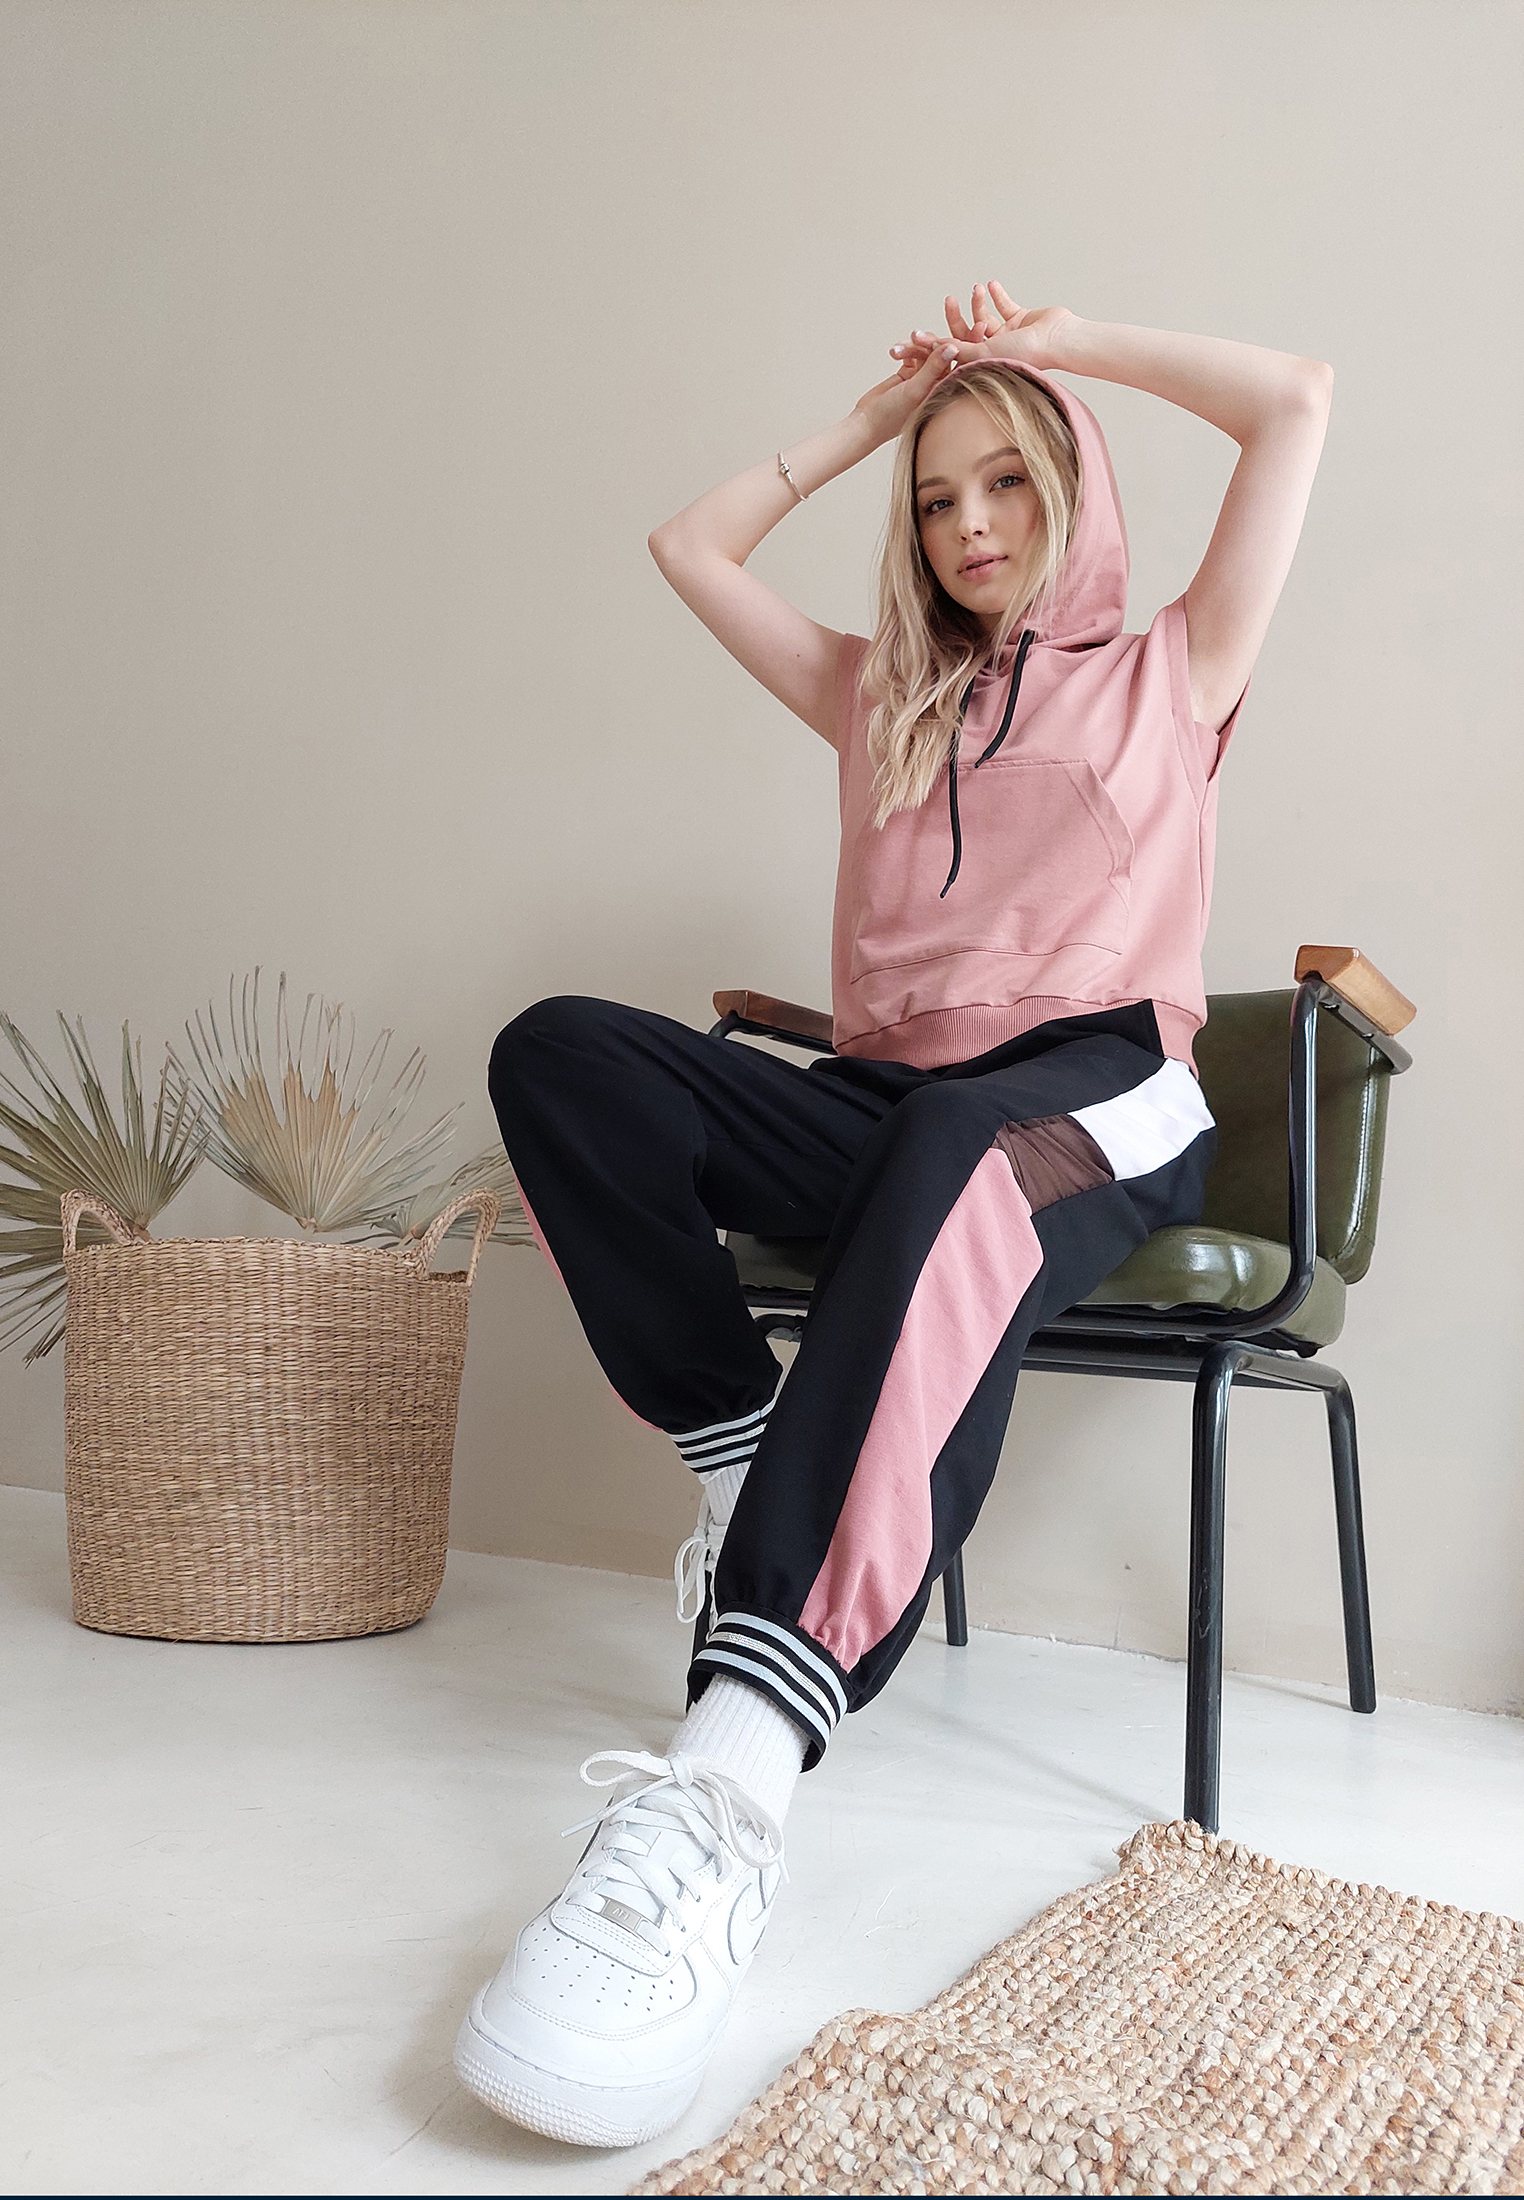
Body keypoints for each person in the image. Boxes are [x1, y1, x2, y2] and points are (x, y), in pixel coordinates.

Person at [453, 281, 1333, 2147]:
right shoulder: (881, 694)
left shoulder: (1173, 670)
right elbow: (690, 546)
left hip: (1097, 1104)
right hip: (896, 1104)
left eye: (1007, 481)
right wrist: (880, 418)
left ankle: (734, 1775)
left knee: (958, 1152)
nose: (971, 523)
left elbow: (1294, 401)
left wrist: (1060, 347)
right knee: (567, 1055)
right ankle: (741, 1453)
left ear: (1075, 490)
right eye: (938, 499)